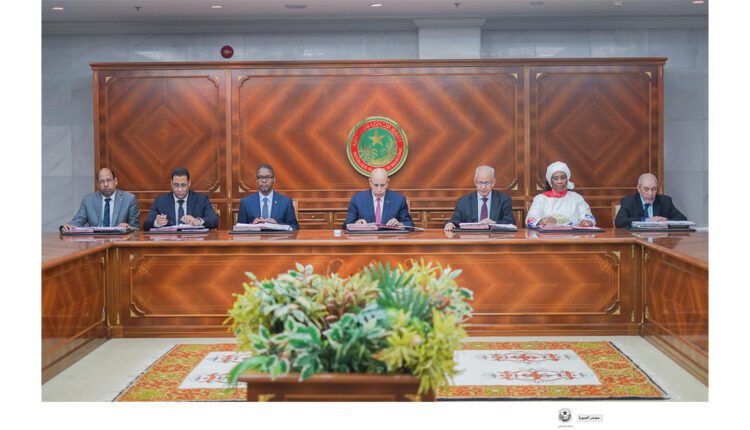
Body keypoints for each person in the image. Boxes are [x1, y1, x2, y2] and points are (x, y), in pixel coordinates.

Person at [62, 167, 139, 231]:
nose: (106, 184)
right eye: (102, 181)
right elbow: (79, 220)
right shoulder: (88, 200)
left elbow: (136, 228)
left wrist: (128, 227)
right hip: (96, 241)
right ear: (98, 184)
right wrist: (69, 226)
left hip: (119, 241)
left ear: (115, 181)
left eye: (108, 180)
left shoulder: (129, 199)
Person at [143, 167, 219, 230]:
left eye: (183, 185)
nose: (179, 189)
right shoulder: (160, 201)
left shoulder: (201, 200)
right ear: (171, 183)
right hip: (169, 242)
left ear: (189, 183)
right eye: (176, 185)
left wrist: (198, 221)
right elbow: (146, 224)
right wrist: (156, 222)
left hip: (193, 242)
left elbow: (214, 221)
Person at [444, 165, 515, 231]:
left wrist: (493, 223)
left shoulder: (504, 200)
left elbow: (510, 222)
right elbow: (455, 220)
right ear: (475, 182)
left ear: (493, 182)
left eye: (487, 183)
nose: (483, 187)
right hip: (471, 238)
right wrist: (450, 223)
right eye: (480, 182)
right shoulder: (463, 201)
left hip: (495, 238)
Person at [525, 161, 595, 227]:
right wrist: (542, 221)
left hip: (572, 235)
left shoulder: (577, 198)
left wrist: (587, 221)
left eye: (563, 178)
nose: (559, 181)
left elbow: (587, 216)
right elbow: (529, 220)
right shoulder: (540, 198)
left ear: (567, 179)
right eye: (555, 178)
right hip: (547, 235)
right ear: (550, 181)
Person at [343, 167, 414, 229]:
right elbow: (346, 225)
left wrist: (399, 224)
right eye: (376, 185)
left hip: (390, 238)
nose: (379, 189)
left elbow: (410, 225)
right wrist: (356, 224)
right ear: (370, 182)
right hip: (366, 239)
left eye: (382, 185)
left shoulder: (399, 200)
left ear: (388, 182)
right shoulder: (357, 199)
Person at [237, 164, 299, 230]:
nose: (264, 181)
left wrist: (277, 225)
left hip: (277, 236)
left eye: (268, 177)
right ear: (256, 180)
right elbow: (239, 229)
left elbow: (294, 227)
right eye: (260, 177)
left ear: (274, 179)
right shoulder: (245, 202)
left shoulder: (286, 202)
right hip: (255, 236)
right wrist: (252, 226)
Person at [614, 173, 687, 228]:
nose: (650, 193)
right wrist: (645, 220)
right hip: (636, 239)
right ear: (638, 188)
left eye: (654, 189)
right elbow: (619, 222)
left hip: (660, 240)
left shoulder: (665, 201)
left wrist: (665, 222)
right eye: (646, 189)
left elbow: (683, 220)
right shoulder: (628, 201)